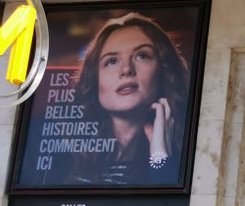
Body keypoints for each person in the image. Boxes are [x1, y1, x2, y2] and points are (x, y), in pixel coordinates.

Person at [68, 13, 190, 186]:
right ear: (94, 79)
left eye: (142, 56)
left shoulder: (188, 146)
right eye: (111, 61)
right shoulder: (62, 145)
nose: (126, 69)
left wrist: (161, 155)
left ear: (164, 70)